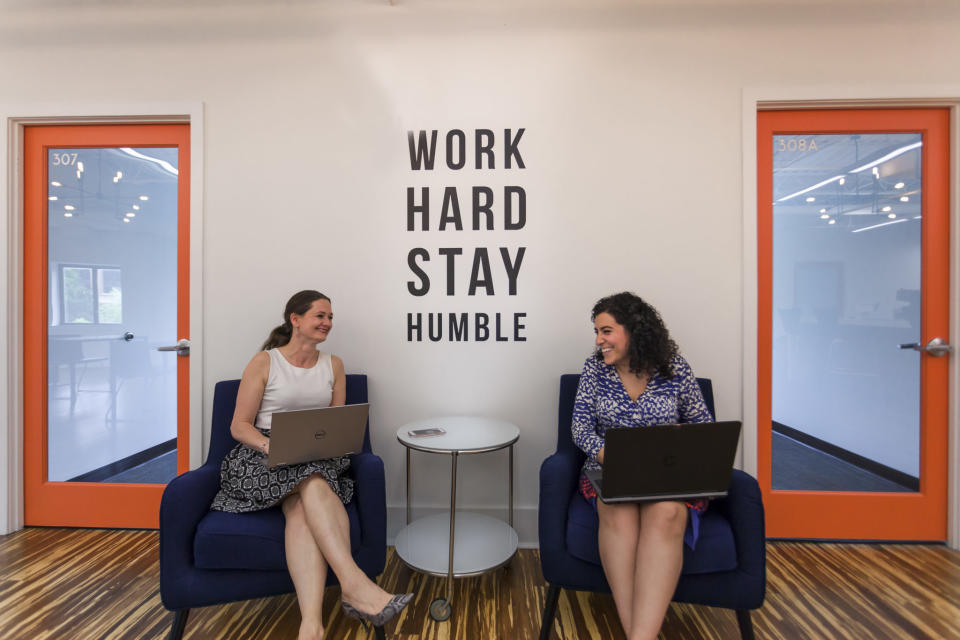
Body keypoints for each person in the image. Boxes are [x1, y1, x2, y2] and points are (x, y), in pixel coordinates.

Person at [209, 290, 411, 640]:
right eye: (320, 316)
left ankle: (311, 626)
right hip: (261, 456)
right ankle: (354, 584)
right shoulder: (265, 362)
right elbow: (238, 426)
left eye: (330, 317)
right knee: (312, 481)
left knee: (304, 501)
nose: (327, 323)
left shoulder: (334, 365)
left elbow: (337, 423)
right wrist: (272, 445)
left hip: (315, 455)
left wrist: (324, 445)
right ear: (295, 319)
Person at [571, 292, 713, 640]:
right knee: (617, 509)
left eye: (606, 331)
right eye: (597, 332)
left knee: (666, 512)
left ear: (634, 330)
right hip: (609, 471)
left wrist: (681, 440)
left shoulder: (675, 367)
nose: (598, 340)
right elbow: (580, 429)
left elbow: (705, 426)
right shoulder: (595, 369)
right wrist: (615, 457)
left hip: (668, 475)